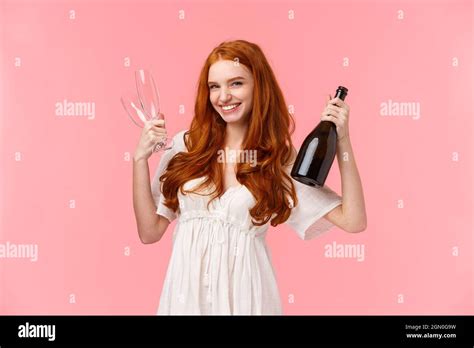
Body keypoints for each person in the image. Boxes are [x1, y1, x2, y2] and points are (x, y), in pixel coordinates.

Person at [132, 39, 367, 315]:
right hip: (185, 301)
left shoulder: (276, 159)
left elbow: (353, 220)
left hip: (247, 301)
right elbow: (149, 231)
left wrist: (343, 141)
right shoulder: (186, 146)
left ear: (259, 86)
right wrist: (139, 160)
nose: (223, 96)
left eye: (236, 83)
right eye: (214, 86)